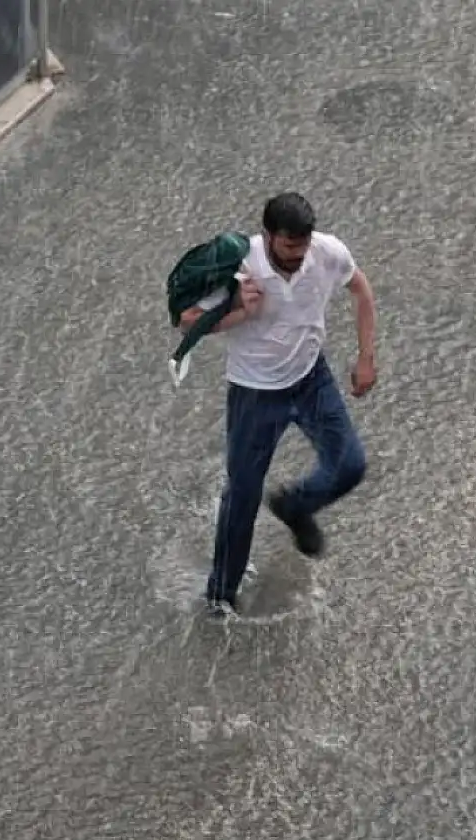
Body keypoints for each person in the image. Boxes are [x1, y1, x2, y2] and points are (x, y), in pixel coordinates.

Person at [179, 192, 378, 618]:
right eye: (288, 247)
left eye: (302, 246)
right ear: (268, 236)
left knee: (350, 465)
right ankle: (220, 597)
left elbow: (361, 289)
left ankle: (296, 506)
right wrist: (236, 311)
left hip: (311, 380)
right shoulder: (240, 266)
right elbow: (185, 321)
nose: (297, 255)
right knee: (243, 496)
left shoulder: (327, 252)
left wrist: (365, 357)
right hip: (254, 393)